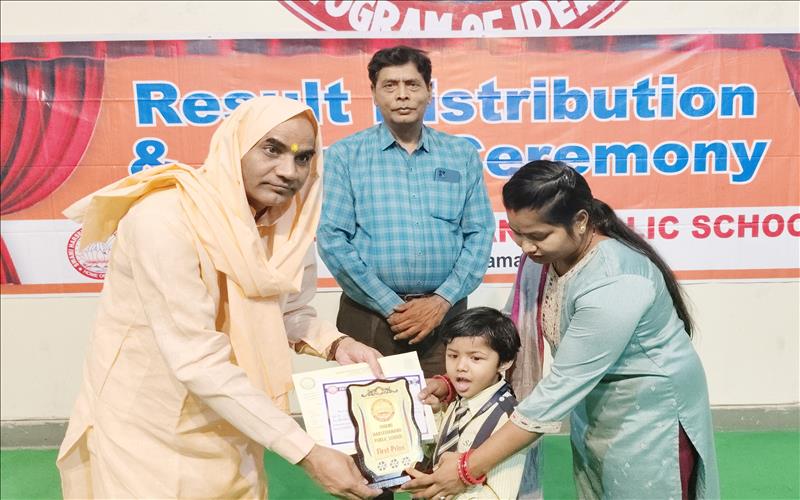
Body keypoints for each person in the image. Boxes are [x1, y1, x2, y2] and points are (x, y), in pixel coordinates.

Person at [56, 96, 383, 499]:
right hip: (149, 423)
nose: (288, 171)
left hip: (234, 414)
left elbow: (288, 310)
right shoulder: (164, 218)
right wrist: (305, 451)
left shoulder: (284, 223)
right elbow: (195, 359)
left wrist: (336, 344)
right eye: (272, 149)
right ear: (235, 146)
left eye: (303, 158)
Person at [404, 160, 720, 499]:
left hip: (651, 409)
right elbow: (507, 336)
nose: (525, 247)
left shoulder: (615, 280)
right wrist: (454, 381)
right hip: (594, 401)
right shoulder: (542, 259)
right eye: (517, 233)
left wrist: (468, 468)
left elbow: (559, 389)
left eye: (538, 236)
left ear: (580, 221)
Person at [317, 45, 495, 377]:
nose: (402, 95)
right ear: (373, 93)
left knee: (445, 404)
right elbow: (332, 239)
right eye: (390, 85)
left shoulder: (461, 155)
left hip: (446, 317)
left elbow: (480, 233)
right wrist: (390, 305)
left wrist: (441, 301)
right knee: (371, 407)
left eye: (412, 84)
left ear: (429, 91)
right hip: (369, 316)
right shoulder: (345, 155)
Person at [428, 307, 540, 499]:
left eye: (476, 358)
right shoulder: (459, 404)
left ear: (505, 362)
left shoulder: (510, 421)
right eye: (453, 355)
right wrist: (436, 415)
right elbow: (442, 450)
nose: (460, 367)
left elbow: (499, 495)